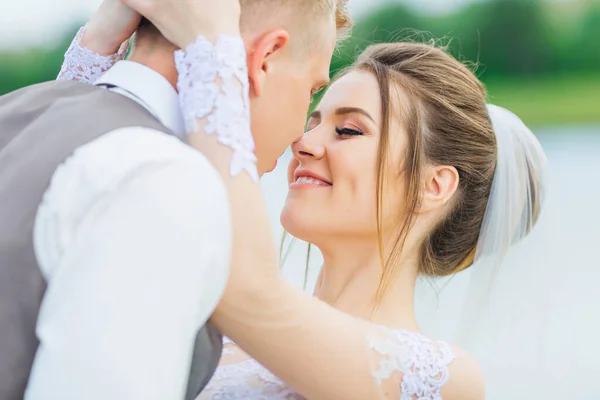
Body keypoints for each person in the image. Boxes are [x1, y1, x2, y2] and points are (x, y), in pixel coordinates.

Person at [69, 0, 543, 398]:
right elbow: (74, 207)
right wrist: (100, 41)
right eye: (313, 120)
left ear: (432, 186)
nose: (304, 142)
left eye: (349, 130)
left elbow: (252, 294)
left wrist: (214, 44)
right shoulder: (221, 329)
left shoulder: (439, 378)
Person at [0, 1, 351, 399]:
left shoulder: (19, 111)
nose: (299, 136)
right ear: (265, 58)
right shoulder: (161, 180)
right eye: (311, 89)